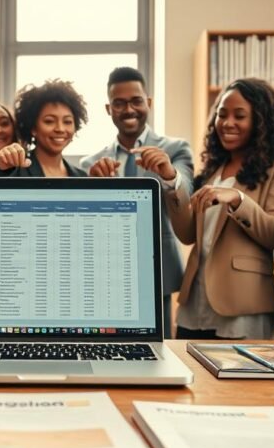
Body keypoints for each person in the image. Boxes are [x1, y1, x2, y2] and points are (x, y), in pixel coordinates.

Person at [162, 78, 274, 340]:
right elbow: (189, 234)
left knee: (239, 380)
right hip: (196, 301)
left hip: (242, 304)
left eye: (240, 115)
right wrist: (172, 182)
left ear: (261, 121)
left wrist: (237, 199)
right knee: (193, 380)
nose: (227, 123)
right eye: (221, 114)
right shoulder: (215, 167)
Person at [81, 66, 193, 338]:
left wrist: (168, 174)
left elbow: (187, 193)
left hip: (159, 271)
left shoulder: (175, 149)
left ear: (149, 103)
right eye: (119, 103)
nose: (128, 109)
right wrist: (93, 194)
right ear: (109, 109)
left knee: (159, 348)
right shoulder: (91, 164)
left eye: (136, 101)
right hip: (106, 274)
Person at [0, 79, 88, 177]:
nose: (60, 129)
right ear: (33, 127)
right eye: (49, 121)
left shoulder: (81, 177)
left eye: (67, 122)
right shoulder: (14, 171)